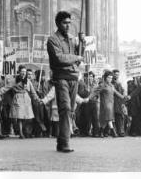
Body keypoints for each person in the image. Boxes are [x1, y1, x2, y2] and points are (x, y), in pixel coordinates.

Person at [46, 10, 85, 153]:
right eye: (64, 23)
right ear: (58, 23)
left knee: (71, 110)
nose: (68, 26)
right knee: (65, 109)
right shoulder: (52, 40)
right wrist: (76, 58)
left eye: (69, 23)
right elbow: (59, 58)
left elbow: (80, 55)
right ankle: (65, 142)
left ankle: (61, 141)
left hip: (73, 77)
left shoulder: (73, 39)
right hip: (61, 76)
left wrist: (82, 43)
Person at [89, 70, 127, 137]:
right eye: (109, 77)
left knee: (105, 119)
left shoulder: (112, 86)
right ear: (105, 77)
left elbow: (116, 93)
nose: (110, 79)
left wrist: (123, 97)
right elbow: (95, 92)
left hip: (111, 104)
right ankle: (113, 132)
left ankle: (100, 132)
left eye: (111, 78)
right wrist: (88, 98)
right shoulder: (102, 85)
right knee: (109, 118)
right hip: (105, 104)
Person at [10, 65, 38, 138]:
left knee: (27, 117)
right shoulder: (14, 80)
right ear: (19, 72)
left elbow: (33, 92)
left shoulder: (28, 81)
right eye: (22, 71)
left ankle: (26, 132)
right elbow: (6, 88)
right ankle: (21, 133)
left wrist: (37, 99)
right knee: (20, 117)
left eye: (25, 71)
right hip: (18, 98)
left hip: (26, 99)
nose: (23, 73)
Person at [112, 69, 127, 137]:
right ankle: (116, 131)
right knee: (114, 117)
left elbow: (122, 90)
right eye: (115, 74)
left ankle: (120, 131)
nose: (117, 76)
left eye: (118, 74)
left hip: (119, 101)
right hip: (114, 101)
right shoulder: (112, 83)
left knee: (120, 116)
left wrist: (124, 92)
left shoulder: (119, 82)